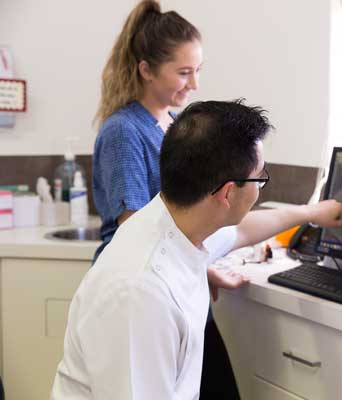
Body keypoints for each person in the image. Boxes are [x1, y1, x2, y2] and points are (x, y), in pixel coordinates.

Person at [51, 99, 342, 399]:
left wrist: (312, 213)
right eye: (260, 177)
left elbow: (242, 230)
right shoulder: (141, 293)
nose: (261, 185)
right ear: (227, 193)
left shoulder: (176, 220)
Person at [90, 2, 240, 397]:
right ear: (146, 69)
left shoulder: (171, 126)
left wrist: (200, 267)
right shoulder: (124, 132)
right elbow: (137, 227)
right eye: (184, 72)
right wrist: (198, 266)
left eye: (197, 71)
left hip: (176, 278)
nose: (193, 85)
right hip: (143, 289)